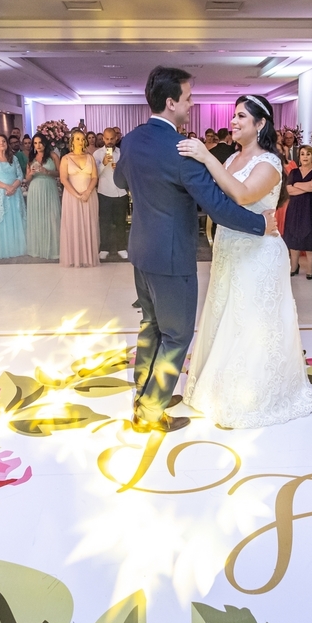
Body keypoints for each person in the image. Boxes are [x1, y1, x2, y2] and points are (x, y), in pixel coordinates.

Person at [114, 68, 275, 433]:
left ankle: (146, 393)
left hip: (141, 250)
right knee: (176, 335)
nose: (192, 104)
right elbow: (218, 207)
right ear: (171, 103)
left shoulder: (132, 139)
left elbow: (121, 179)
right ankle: (150, 411)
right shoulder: (182, 151)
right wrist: (259, 224)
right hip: (172, 256)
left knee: (151, 325)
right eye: (188, 98)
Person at [176, 94, 312, 428]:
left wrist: (206, 156)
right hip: (229, 248)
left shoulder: (270, 162)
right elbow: (215, 196)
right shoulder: (232, 159)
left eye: (241, 116)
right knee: (226, 315)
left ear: (260, 123)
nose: (234, 121)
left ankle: (250, 397)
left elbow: (242, 194)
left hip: (258, 253)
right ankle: (218, 389)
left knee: (252, 323)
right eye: (234, 115)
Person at [59, 129, 101, 267]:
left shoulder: (90, 157)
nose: (81, 141)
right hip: (72, 197)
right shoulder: (66, 158)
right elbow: (64, 179)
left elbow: (94, 177)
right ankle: (74, 257)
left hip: (89, 195)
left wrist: (87, 192)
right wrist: (77, 195)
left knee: (89, 224)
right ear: (72, 141)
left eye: (83, 139)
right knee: (73, 225)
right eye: (78, 139)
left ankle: (88, 257)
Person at [283, 145, 312, 279]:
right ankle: (294, 266)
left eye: (308, 154)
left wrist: (297, 185)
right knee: (293, 238)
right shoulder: (294, 172)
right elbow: (289, 190)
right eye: (302, 154)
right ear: (299, 157)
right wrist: (306, 186)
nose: (305, 157)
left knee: (310, 239)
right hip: (294, 209)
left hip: (311, 209)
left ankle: (310, 269)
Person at [0, 133, 27, 258]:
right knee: (2, 220)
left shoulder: (13, 159)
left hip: (14, 194)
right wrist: (6, 187)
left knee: (15, 218)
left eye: (3, 141)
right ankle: (2, 250)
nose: (1, 143)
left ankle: (17, 248)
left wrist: (13, 187)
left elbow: (20, 175)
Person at [95, 127, 130, 260]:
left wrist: (119, 169)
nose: (109, 142)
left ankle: (121, 247)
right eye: (107, 139)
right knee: (105, 222)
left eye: (112, 139)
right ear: (103, 139)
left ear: (116, 138)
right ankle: (104, 248)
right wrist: (103, 164)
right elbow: (94, 175)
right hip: (104, 192)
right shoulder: (97, 154)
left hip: (120, 192)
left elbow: (128, 172)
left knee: (121, 222)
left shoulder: (122, 153)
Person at [24, 134, 61, 259]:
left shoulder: (53, 156)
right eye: (35, 143)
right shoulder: (31, 158)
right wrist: (31, 173)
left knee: (52, 217)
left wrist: (47, 172)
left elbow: (60, 173)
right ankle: (38, 248)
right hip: (35, 190)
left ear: (45, 143)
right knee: (37, 218)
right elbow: (27, 179)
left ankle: (53, 249)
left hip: (49, 188)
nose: (38, 145)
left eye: (40, 142)